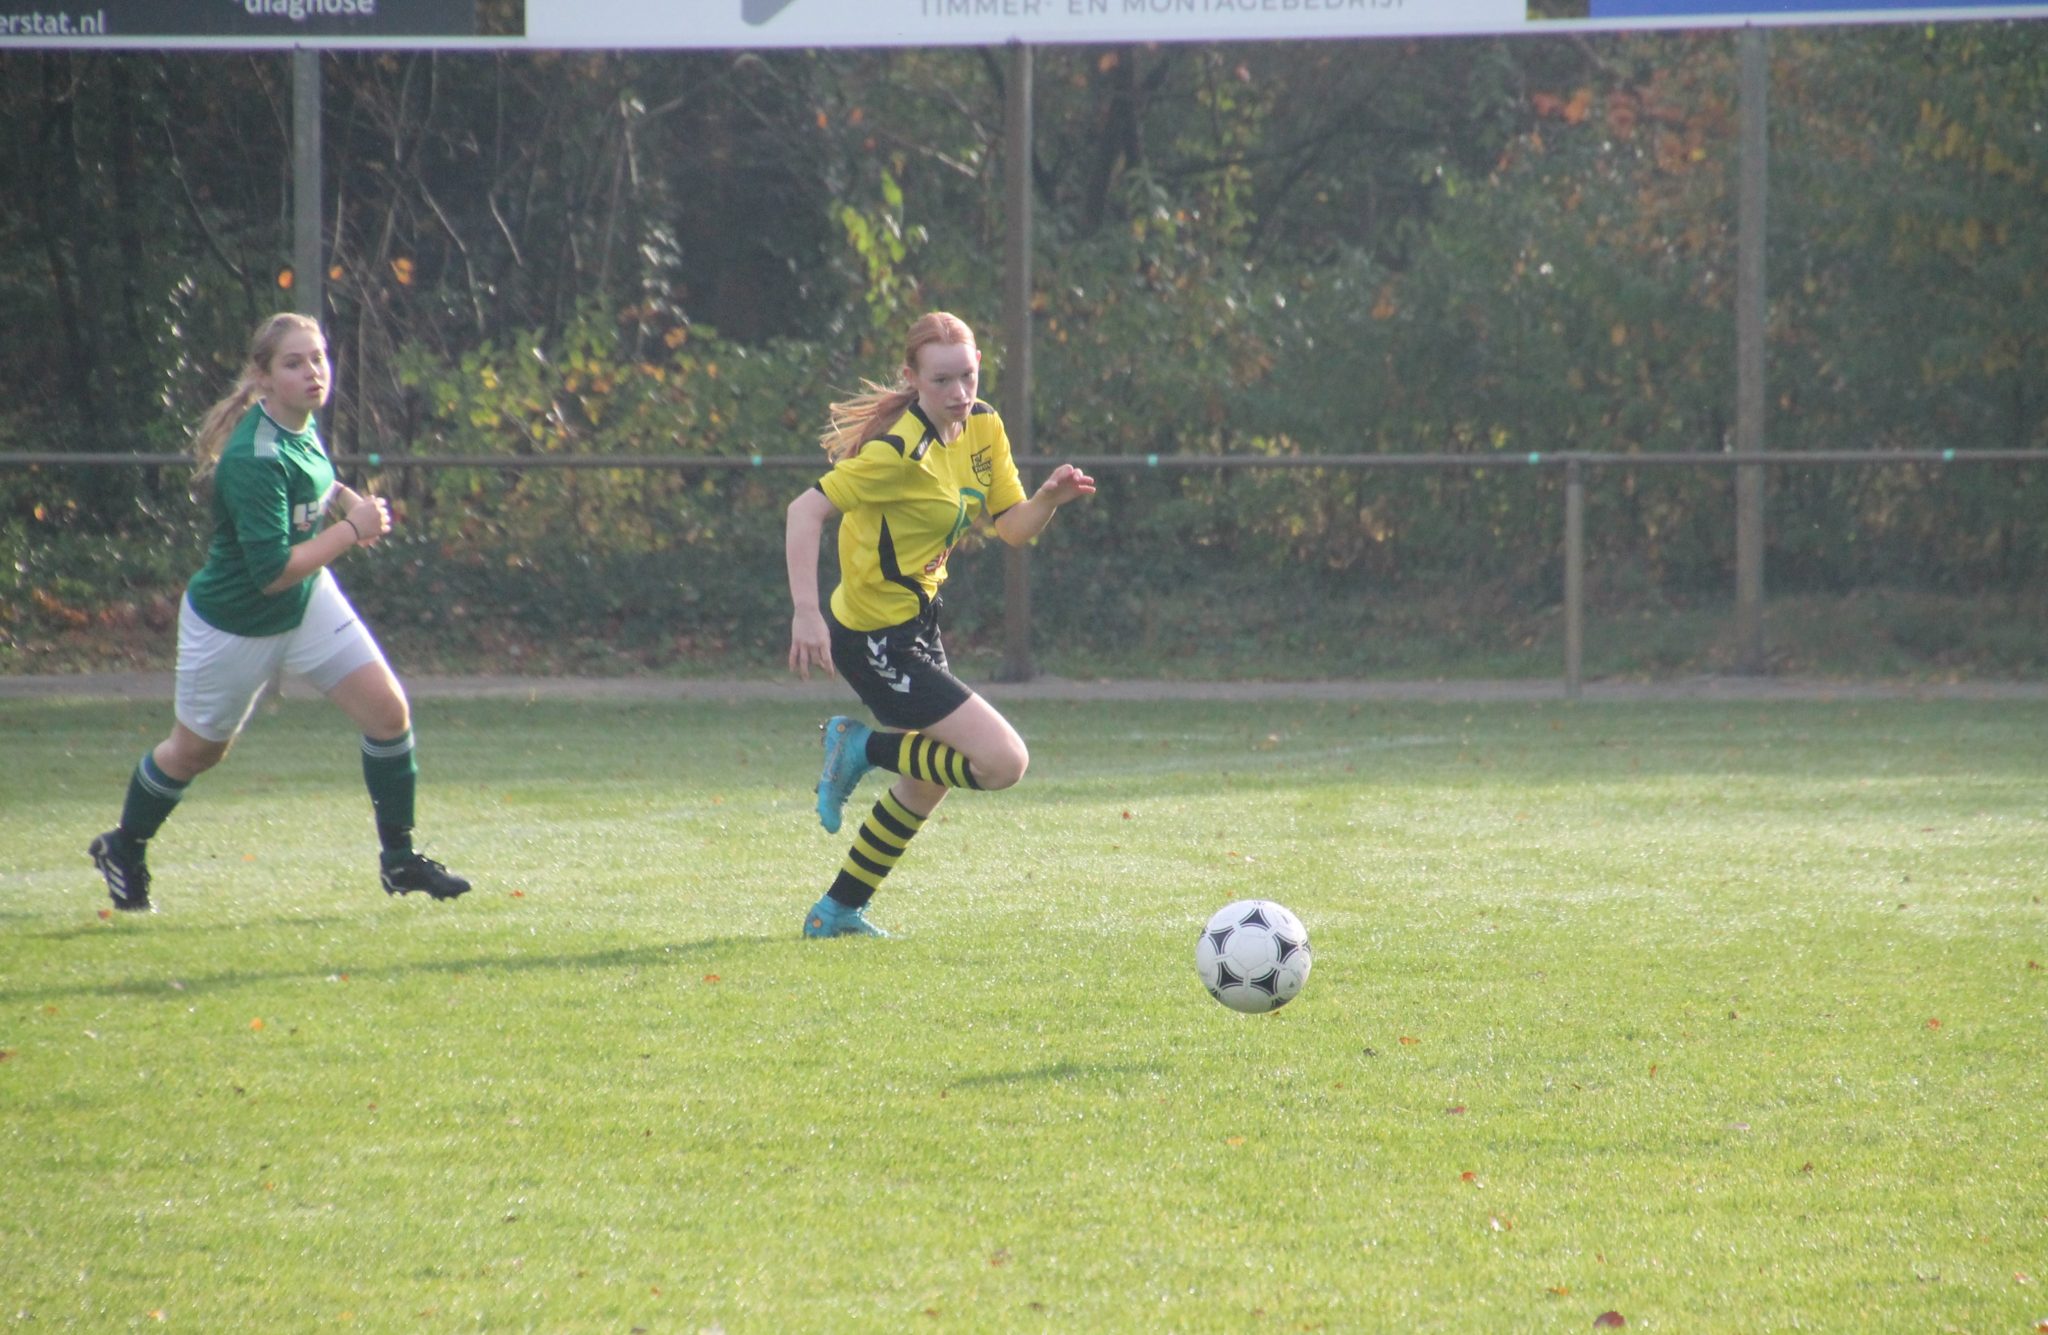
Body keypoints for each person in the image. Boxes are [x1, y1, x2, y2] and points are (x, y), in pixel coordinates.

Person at [87, 312, 470, 912]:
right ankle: (124, 845)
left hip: (307, 602)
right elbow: (271, 573)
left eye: (318, 357)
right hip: (236, 621)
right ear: (263, 377)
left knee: (388, 713)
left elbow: (315, 482)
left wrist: (345, 500)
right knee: (196, 753)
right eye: (294, 363)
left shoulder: (298, 421)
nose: (314, 372)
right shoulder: (254, 456)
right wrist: (352, 529)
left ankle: (399, 860)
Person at [786, 311, 1096, 938]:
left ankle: (837, 911)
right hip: (872, 637)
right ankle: (858, 747)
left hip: (917, 627)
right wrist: (806, 612)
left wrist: (1047, 500)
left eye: (968, 376)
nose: (959, 393)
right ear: (912, 378)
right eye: (942, 381)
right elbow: (804, 510)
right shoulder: (897, 450)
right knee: (1003, 762)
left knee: (927, 780)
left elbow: (1012, 528)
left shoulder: (983, 426)